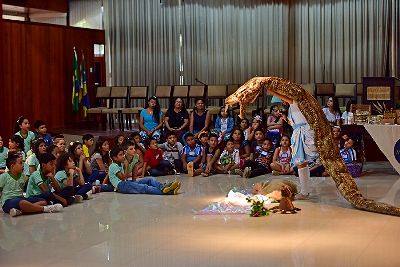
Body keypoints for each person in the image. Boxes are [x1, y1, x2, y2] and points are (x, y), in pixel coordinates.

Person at [269, 90, 323, 199]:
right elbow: (294, 123)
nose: (283, 101)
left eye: (283, 99)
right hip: (299, 133)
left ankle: (304, 192)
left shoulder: (295, 101)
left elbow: (284, 95)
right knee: (301, 163)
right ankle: (305, 190)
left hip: (304, 133)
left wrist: (273, 91)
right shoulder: (291, 108)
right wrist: (286, 119)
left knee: (301, 163)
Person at [0, 152, 63, 217]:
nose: (23, 165)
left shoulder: (22, 176)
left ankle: (21, 211)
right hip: (8, 202)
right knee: (22, 202)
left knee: (43, 201)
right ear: (12, 166)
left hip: (21, 199)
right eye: (20, 163)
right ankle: (46, 209)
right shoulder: (4, 176)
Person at [108, 146, 181, 195]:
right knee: (144, 187)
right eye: (120, 155)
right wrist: (126, 166)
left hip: (126, 183)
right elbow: (123, 178)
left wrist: (134, 181)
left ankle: (163, 187)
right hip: (121, 186)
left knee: (150, 179)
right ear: (114, 158)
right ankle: (167, 191)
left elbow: (133, 171)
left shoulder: (121, 164)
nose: (123, 156)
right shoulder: (113, 166)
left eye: (123, 154)